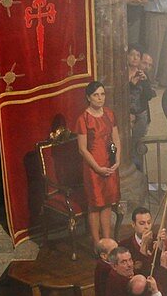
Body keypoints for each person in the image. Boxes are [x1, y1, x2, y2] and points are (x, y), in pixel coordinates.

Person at [74, 80, 120, 243]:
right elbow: (82, 149)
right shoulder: (83, 119)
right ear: (88, 98)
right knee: (95, 205)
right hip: (94, 167)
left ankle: (107, 240)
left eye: (102, 94)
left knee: (107, 203)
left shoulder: (109, 114)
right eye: (96, 95)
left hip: (109, 163)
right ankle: (96, 243)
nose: (100, 98)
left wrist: (117, 161)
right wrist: (98, 168)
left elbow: (116, 138)